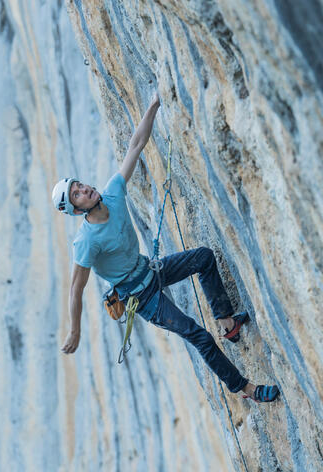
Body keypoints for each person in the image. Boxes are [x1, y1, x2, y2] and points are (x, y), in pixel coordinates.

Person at [54, 93, 279, 403]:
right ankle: (246, 389)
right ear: (76, 210)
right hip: (142, 298)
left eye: (79, 185)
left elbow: (135, 145)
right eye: (77, 194)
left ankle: (228, 322)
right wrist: (75, 331)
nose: (84, 189)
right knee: (198, 336)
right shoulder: (86, 242)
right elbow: (75, 290)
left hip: (151, 270)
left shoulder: (113, 193)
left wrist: (155, 104)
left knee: (203, 258)